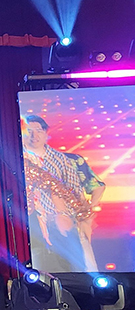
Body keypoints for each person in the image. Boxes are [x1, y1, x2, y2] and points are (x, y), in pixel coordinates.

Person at [22, 115, 105, 272]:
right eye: (29, 131)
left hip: (64, 222)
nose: (34, 135)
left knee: (78, 268)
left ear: (46, 133)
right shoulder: (20, 159)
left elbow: (88, 189)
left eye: (38, 130)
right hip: (34, 225)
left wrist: (82, 216)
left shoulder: (66, 160)